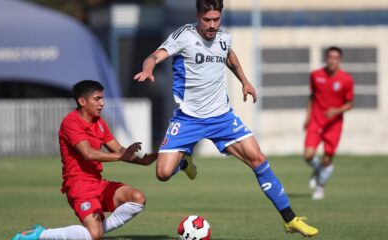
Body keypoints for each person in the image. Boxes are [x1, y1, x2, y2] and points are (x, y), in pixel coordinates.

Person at [134, 0, 318, 237]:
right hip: (188, 118)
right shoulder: (184, 36)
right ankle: (184, 162)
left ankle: (290, 219)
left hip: (221, 116)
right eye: (207, 20)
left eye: (216, 19)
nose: (212, 25)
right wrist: (148, 68)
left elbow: (229, 57)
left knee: (258, 159)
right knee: (162, 174)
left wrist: (245, 81)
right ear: (198, 16)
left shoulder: (224, 36)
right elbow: (153, 56)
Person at [12, 80, 157, 240]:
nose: (102, 103)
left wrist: (141, 161)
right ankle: (40, 235)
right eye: (97, 99)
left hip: (98, 183)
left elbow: (118, 149)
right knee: (94, 234)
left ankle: (96, 230)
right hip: (78, 186)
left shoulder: (99, 122)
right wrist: (122, 156)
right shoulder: (71, 122)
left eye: (102, 98)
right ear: (82, 101)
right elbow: (88, 153)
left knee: (137, 198)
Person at [304, 47, 354, 200]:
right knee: (308, 155)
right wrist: (307, 117)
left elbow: (349, 103)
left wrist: (336, 111)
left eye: (336, 57)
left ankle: (320, 188)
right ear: (326, 58)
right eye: (330, 57)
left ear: (340, 60)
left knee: (327, 158)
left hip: (334, 124)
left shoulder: (346, 80)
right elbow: (312, 97)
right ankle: (319, 170)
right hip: (316, 120)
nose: (332, 60)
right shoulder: (316, 75)